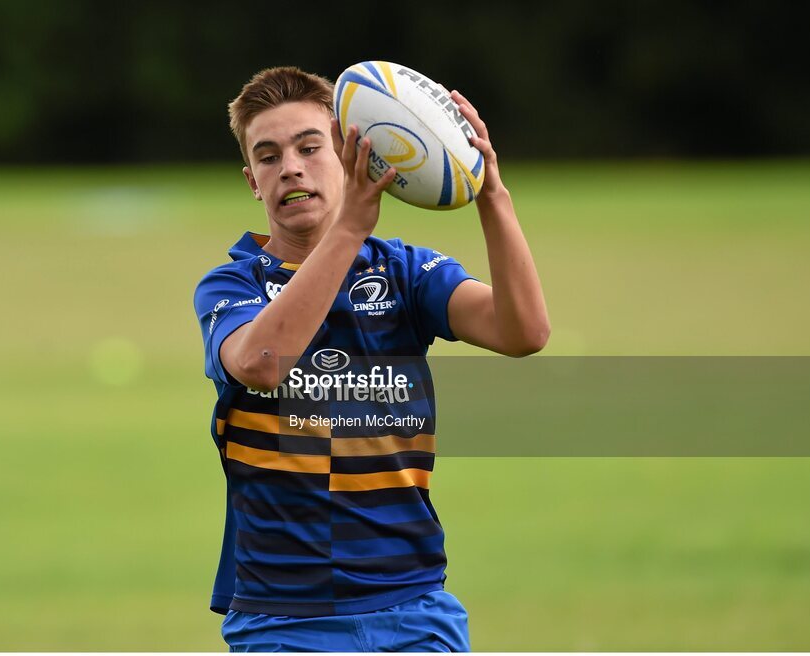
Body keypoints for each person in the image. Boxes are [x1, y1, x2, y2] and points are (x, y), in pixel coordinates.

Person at [193, 66, 549, 652]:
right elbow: (261, 362)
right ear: (253, 181)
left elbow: (524, 331)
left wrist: (493, 196)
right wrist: (351, 226)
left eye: (310, 147)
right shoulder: (232, 284)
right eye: (268, 156)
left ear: (349, 150)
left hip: (412, 604)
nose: (290, 167)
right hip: (286, 617)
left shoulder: (406, 273)